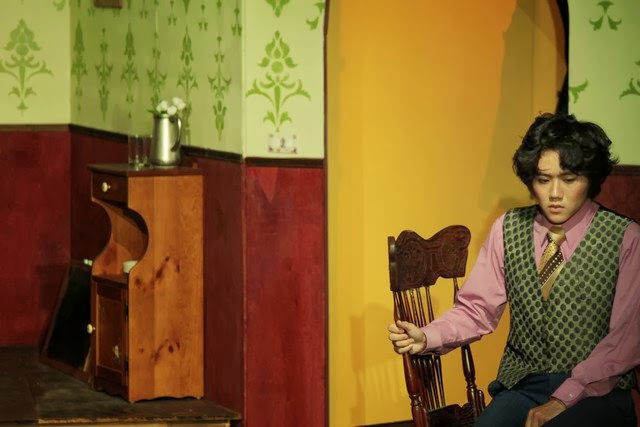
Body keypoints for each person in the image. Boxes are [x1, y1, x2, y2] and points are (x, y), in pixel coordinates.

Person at [388, 113, 640, 427]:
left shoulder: (625, 237)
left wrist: (563, 399)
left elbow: (626, 341)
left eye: (569, 179)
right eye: (543, 180)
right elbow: (476, 309)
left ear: (590, 178)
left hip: (597, 391)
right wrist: (427, 336)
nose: (555, 193)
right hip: (524, 386)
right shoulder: (508, 228)